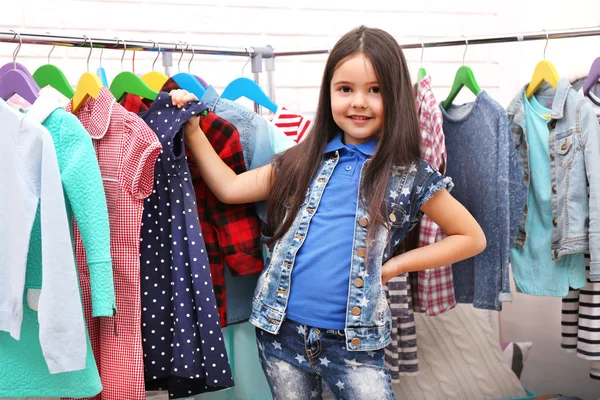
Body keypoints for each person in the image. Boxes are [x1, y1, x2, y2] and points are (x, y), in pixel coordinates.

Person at [170, 25, 486, 400]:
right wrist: (192, 130)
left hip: (354, 345)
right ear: (329, 93)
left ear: (397, 97)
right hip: (279, 332)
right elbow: (230, 188)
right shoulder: (301, 160)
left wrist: (396, 266)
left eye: (375, 90)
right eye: (346, 89)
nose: (359, 102)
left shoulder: (410, 176)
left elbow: (471, 237)